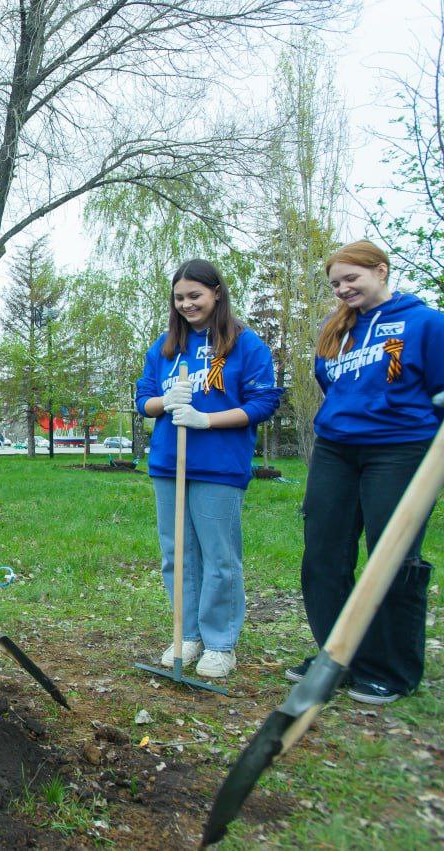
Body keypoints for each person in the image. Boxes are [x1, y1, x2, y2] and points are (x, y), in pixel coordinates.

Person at [290, 240, 444, 705]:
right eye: (335, 283)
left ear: (380, 271)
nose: (342, 289)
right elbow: (329, 383)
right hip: (337, 450)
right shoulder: (336, 330)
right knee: (323, 552)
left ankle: (389, 669)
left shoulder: (426, 322)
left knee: (391, 554)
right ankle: (334, 655)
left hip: (399, 449)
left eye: (351, 278)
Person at [136, 259, 282, 679]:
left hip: (218, 464)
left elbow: (263, 403)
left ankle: (220, 642)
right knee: (176, 554)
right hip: (169, 462)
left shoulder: (245, 344)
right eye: (179, 298)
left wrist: (207, 419)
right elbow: (142, 399)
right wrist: (166, 401)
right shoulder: (167, 346)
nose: (186, 304)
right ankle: (187, 633)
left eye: (195, 295)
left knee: (219, 556)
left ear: (217, 292)